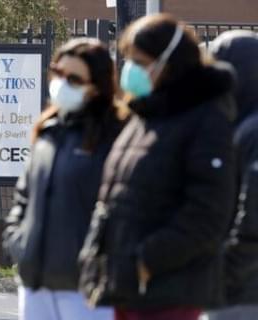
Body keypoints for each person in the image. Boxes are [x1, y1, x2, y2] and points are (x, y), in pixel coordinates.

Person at [78, 14, 236, 320]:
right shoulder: (144, 117)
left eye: (140, 61)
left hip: (167, 291)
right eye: (127, 60)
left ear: (169, 62)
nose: (130, 70)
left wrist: (145, 261)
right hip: (125, 285)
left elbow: (207, 214)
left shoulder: (205, 119)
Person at [2, 38, 125, 320]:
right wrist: (17, 242)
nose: (62, 83)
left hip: (84, 289)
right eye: (58, 73)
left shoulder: (115, 136)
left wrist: (98, 261)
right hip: (35, 283)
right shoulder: (48, 133)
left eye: (74, 78)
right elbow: (24, 197)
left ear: (96, 86)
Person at [204, 30, 258, 320]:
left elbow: (253, 218)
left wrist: (223, 269)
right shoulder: (241, 124)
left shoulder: (252, 131)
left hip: (242, 292)